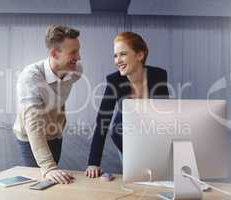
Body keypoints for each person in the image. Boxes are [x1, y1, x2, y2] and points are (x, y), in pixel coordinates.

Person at [85, 32, 169, 178]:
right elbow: (102, 122)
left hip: (150, 126)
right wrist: (93, 162)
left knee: (156, 170)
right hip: (124, 131)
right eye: (115, 56)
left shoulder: (158, 75)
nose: (118, 61)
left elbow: (163, 115)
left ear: (139, 55)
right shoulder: (114, 80)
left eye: (123, 54)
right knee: (136, 173)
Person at [13, 24, 82, 184]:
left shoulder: (76, 70)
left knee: (53, 182)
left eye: (78, 51)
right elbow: (34, 123)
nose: (78, 57)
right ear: (54, 53)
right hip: (30, 137)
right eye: (73, 52)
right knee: (38, 183)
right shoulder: (30, 77)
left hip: (55, 133)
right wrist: (48, 167)